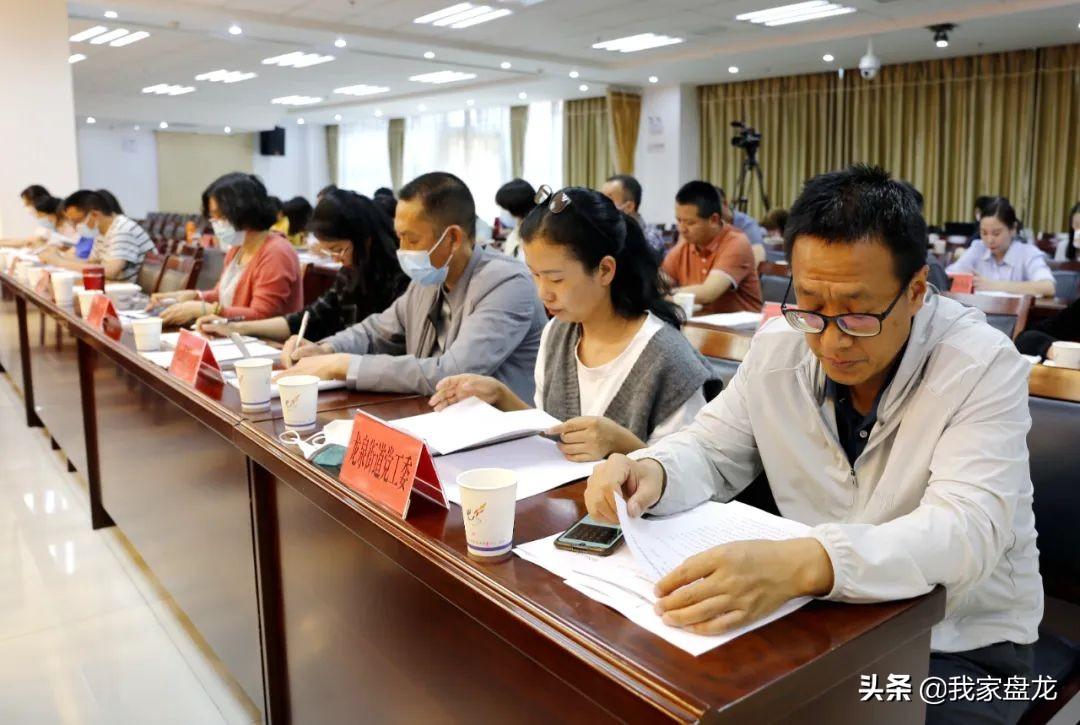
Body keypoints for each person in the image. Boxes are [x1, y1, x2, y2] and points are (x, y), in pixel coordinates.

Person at [586, 165, 1041, 725]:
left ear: (916, 290)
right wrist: (651, 470)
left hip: (962, 645)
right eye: (812, 305)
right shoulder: (780, 345)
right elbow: (710, 448)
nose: (831, 340)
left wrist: (809, 562)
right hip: (825, 619)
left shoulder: (981, 365)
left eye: (857, 313)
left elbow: (966, 530)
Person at [430, 186, 715, 462]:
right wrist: (500, 395)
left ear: (605, 270)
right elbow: (553, 434)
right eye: (535, 276)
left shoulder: (668, 360)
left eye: (556, 279)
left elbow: (686, 473)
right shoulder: (558, 332)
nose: (543, 293)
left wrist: (622, 445)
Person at [281, 171, 547, 399]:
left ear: (453, 238)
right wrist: (326, 349)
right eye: (399, 237)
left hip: (500, 433)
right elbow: (376, 331)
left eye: (412, 239)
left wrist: (344, 365)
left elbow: (452, 373)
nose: (402, 250)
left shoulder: (507, 284)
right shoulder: (431, 278)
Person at [200, 189, 408, 347]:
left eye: (338, 249)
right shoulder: (350, 272)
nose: (336, 259)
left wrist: (325, 349)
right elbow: (310, 318)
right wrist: (235, 327)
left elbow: (385, 343)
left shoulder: (400, 277)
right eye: (329, 251)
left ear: (365, 239)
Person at [147, 173, 302, 327]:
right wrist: (193, 296)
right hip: (233, 335)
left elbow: (262, 316)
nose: (215, 223)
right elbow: (221, 295)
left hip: (264, 340)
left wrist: (205, 309)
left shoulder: (276, 252)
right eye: (212, 216)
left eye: (220, 216)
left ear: (244, 212)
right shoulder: (238, 247)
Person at [662, 181, 762, 314]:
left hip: (740, 326)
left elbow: (708, 292)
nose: (682, 229)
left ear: (714, 220)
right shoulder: (685, 245)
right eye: (679, 220)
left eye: (690, 223)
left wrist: (666, 296)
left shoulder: (736, 243)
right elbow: (660, 281)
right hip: (698, 324)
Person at [946, 197, 1055, 297]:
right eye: (984, 233)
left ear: (1013, 229)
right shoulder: (978, 248)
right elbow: (948, 276)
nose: (989, 240)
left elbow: (1048, 287)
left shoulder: (1028, 252)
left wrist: (992, 285)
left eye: (996, 233)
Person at [39, 190, 153, 281]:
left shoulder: (123, 229)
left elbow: (110, 271)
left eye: (77, 221)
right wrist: (58, 256)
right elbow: (91, 263)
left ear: (94, 214)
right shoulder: (101, 231)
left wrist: (60, 262)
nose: (74, 227)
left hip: (135, 295)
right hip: (115, 287)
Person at [601, 174, 666, 261]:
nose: (600, 204)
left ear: (629, 207)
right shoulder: (604, 232)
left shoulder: (650, 236)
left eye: (608, 199)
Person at [0, 195, 75, 248]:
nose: (45, 219)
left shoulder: (67, 226)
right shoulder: (54, 227)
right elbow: (26, 240)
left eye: (41, 215)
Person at [494, 178, 536, 259]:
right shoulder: (519, 226)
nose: (503, 211)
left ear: (515, 208)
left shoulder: (534, 233)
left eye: (504, 208)